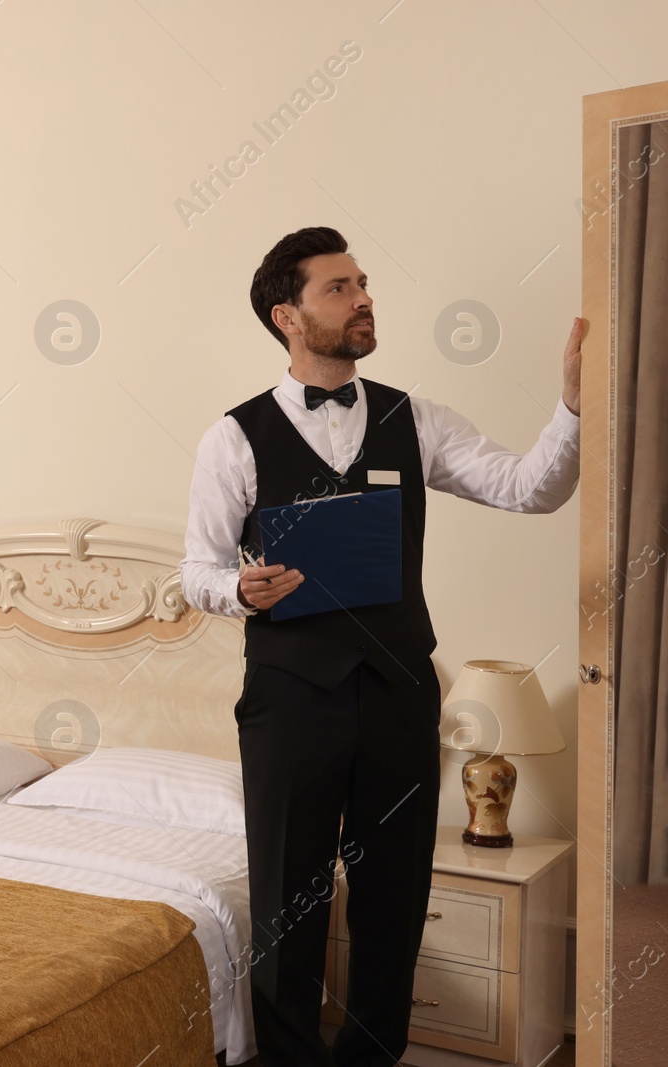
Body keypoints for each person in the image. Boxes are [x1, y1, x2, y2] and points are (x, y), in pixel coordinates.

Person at [179, 226, 582, 1066]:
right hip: (289, 699)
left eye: (363, 282)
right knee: (291, 903)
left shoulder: (415, 418)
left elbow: (529, 488)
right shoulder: (234, 438)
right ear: (288, 315)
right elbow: (197, 570)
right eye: (339, 287)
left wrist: (574, 406)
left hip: (400, 695)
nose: (363, 298)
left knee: (394, 899)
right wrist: (236, 589)